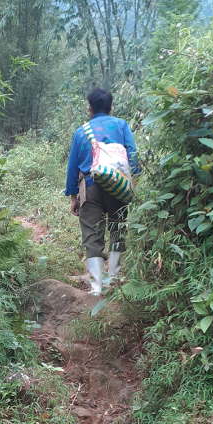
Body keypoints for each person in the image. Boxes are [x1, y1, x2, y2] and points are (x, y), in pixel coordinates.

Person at [65, 87, 140, 295]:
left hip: (90, 187)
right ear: (111, 107)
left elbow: (72, 167)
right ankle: (114, 280)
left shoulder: (81, 132)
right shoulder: (122, 126)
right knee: (117, 229)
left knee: (91, 234)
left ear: (89, 108)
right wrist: (134, 179)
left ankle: (97, 287)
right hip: (118, 185)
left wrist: (73, 196)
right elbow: (132, 155)